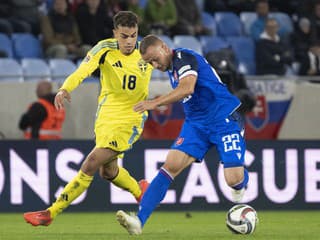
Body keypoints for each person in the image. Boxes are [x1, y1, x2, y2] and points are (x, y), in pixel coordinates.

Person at [23, 11, 152, 227]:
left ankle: (50, 213)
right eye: (124, 36)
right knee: (108, 171)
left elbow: (172, 67)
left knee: (91, 162)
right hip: (106, 117)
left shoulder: (147, 51)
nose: (129, 41)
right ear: (115, 33)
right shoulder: (104, 49)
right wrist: (64, 89)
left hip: (132, 117)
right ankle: (141, 191)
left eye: (133, 35)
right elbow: (82, 71)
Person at [116, 34, 249, 235]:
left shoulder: (184, 58)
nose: (154, 65)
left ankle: (241, 183)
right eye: (148, 62)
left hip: (223, 118)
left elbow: (187, 88)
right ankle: (139, 221)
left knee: (233, 180)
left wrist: (154, 103)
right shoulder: (171, 68)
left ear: (163, 47)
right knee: (170, 165)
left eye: (154, 59)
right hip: (196, 124)